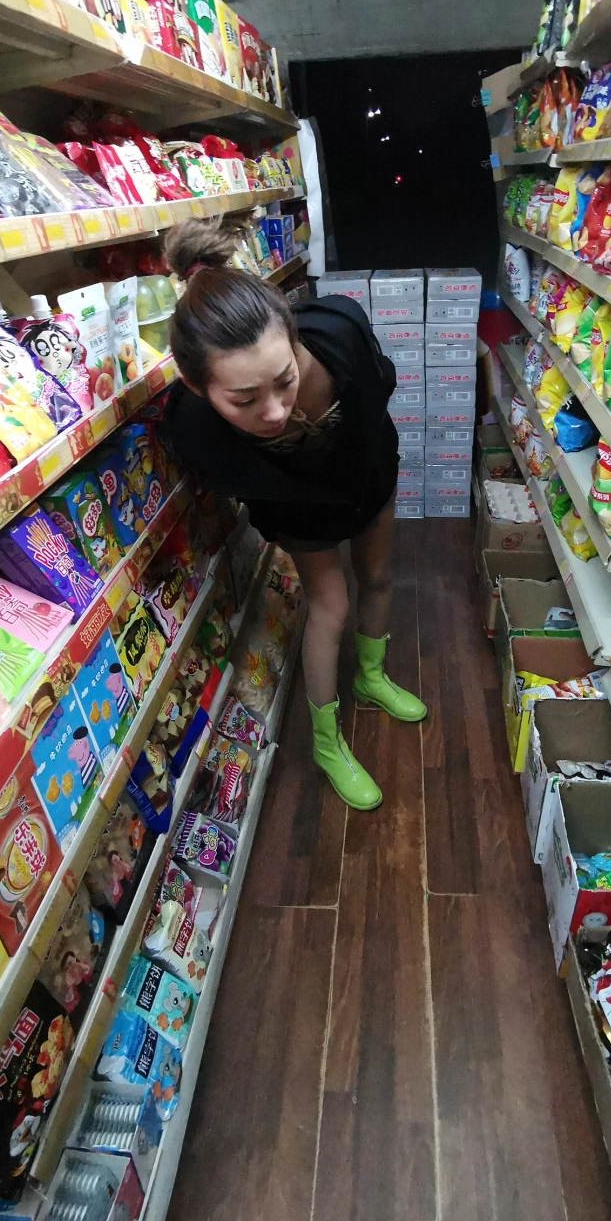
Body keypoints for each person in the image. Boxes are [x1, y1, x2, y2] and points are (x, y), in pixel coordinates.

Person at [163, 221, 426, 812]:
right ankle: (328, 745)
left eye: (285, 380)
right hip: (300, 505)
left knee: (379, 576)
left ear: (293, 334)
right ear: (196, 386)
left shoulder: (339, 334)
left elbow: (376, 400)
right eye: (244, 399)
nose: (276, 411)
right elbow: (235, 481)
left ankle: (371, 676)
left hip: (368, 473)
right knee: (329, 605)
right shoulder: (194, 428)